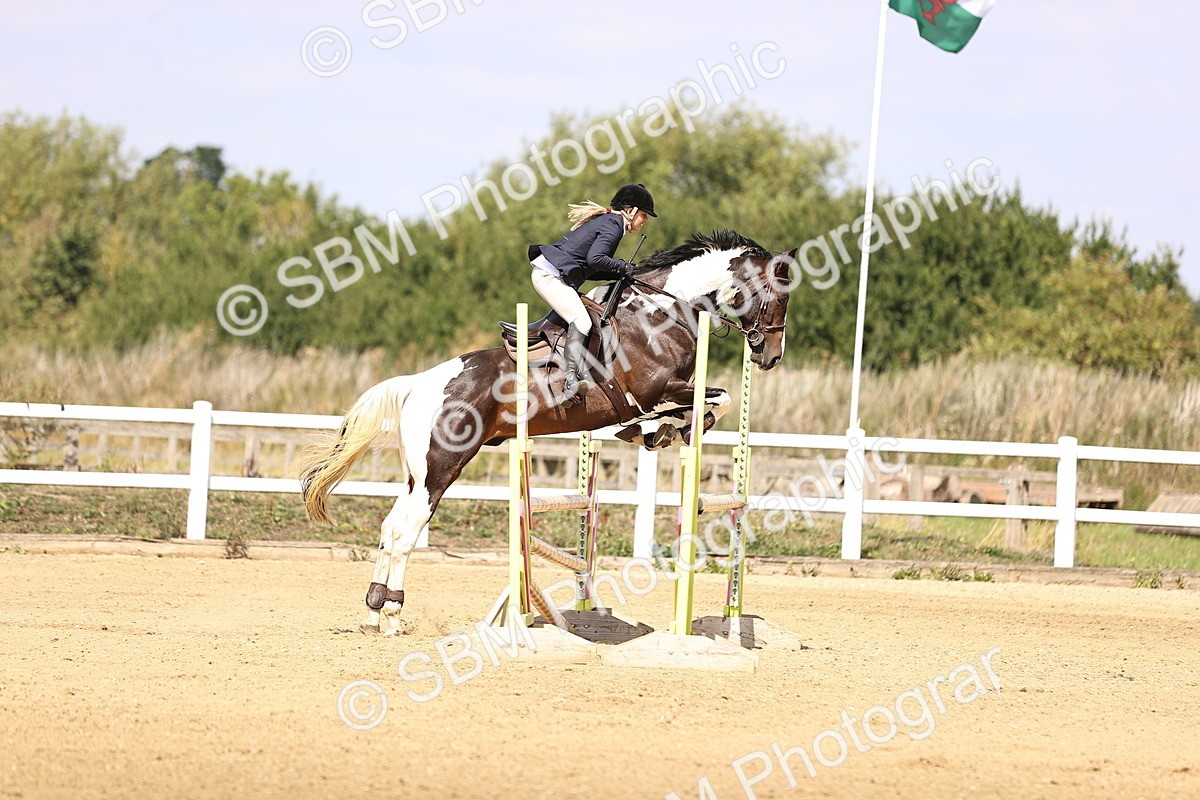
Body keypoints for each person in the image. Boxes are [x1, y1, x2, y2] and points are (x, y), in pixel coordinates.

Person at [527, 183, 656, 406]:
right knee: (583, 322)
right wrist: (622, 266)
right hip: (549, 277)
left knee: (583, 317)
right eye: (644, 215)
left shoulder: (611, 223)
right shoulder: (613, 225)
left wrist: (619, 273)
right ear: (631, 210)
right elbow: (595, 260)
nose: (645, 221)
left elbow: (592, 268)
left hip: (555, 276)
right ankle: (569, 382)